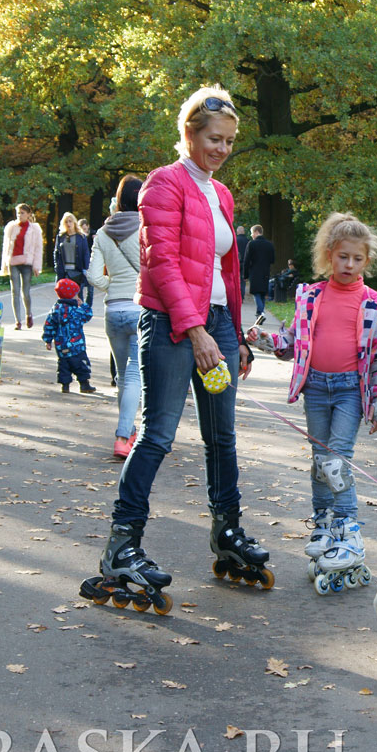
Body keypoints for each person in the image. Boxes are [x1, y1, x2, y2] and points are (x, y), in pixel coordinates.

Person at [83, 85, 267, 609]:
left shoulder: (221, 193)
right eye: (214, 138)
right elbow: (160, 264)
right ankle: (122, 545)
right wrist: (196, 330)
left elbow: (226, 272)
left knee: (222, 436)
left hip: (217, 324)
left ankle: (227, 532)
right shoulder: (163, 185)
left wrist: (235, 333)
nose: (222, 149)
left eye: (229, 141)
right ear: (188, 132)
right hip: (170, 323)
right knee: (159, 433)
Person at [247, 212, 377, 589]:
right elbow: (292, 341)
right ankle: (324, 525)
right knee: (318, 461)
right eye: (342, 256)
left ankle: (349, 529)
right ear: (329, 255)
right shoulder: (310, 295)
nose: (349, 264)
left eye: (357, 259)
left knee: (337, 460)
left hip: (348, 390)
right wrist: (262, 339)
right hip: (316, 388)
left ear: (367, 261)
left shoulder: (374, 302)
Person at [86, 175, 145, 459]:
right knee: (135, 376)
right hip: (140, 308)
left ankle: (129, 430)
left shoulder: (102, 233)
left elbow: (94, 276)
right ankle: (124, 435)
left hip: (113, 311)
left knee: (124, 376)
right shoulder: (148, 228)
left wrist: (115, 285)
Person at [42, 278, 95, 393]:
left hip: (61, 345)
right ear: (72, 295)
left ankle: (65, 386)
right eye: (76, 294)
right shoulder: (75, 310)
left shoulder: (55, 309)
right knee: (81, 365)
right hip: (76, 345)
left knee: (63, 365)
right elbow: (88, 315)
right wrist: (84, 305)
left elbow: (49, 325)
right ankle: (84, 384)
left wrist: (48, 339)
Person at [0, 203, 42, 330]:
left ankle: (28, 314)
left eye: (22, 213)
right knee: (15, 292)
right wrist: (4, 265)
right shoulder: (11, 227)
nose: (20, 215)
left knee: (26, 292)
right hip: (13, 262)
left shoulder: (34, 229)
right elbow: (6, 247)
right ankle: (18, 321)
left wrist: (36, 266)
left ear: (29, 214)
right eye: (18, 213)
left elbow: (38, 248)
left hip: (27, 263)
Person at [54, 211, 90, 303]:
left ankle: (80, 315)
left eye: (70, 221)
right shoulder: (60, 237)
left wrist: (86, 268)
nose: (68, 224)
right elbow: (56, 253)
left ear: (74, 222)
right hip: (64, 271)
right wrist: (57, 267)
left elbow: (86, 253)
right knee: (64, 297)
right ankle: (66, 315)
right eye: (66, 222)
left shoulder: (81, 237)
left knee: (78, 296)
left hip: (77, 270)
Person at [241, 223, 274, 318]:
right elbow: (272, 259)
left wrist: (245, 275)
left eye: (252, 233)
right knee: (262, 293)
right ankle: (260, 312)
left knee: (256, 293)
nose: (251, 235)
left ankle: (260, 312)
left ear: (256, 232)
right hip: (265, 271)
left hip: (255, 272)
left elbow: (246, 261)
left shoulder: (252, 244)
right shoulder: (269, 244)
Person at [235, 224, 250, 303]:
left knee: (236, 280)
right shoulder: (248, 241)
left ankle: (237, 296)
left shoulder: (235, 240)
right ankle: (242, 297)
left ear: (237, 232)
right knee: (243, 280)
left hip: (236, 262)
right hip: (245, 263)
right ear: (243, 232)